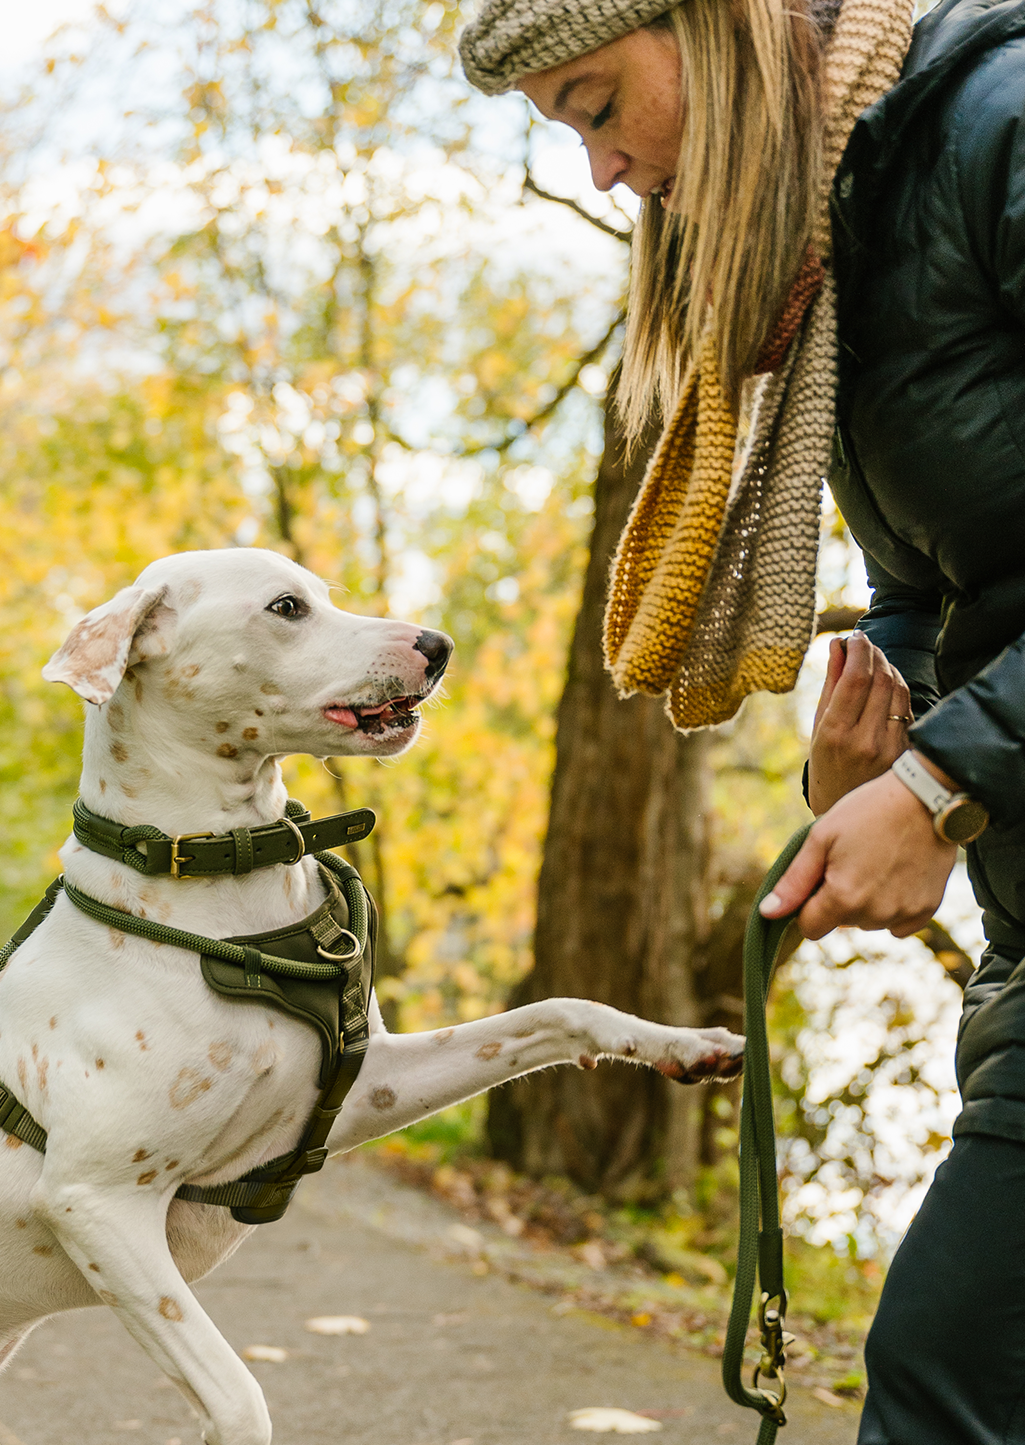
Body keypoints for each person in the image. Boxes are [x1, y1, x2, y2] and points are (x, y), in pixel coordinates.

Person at [458, 0, 1025, 1439]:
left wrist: (950, 779)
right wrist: (881, 741)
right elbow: (930, 578)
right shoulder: (828, 260)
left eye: (597, 106)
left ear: (711, 28)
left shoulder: (998, 122)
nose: (603, 171)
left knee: (946, 1380)